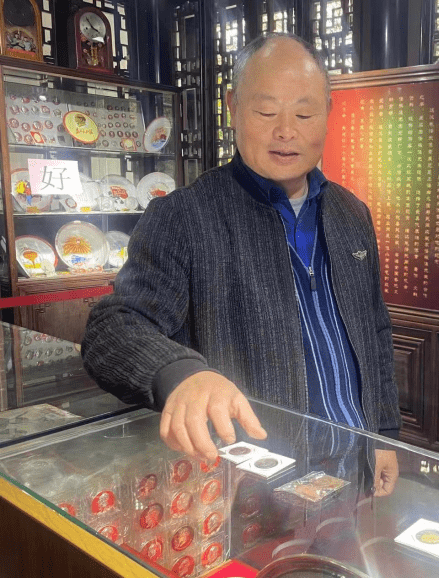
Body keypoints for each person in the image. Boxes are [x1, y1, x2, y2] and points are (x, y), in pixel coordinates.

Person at [81, 33, 401, 496]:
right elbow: (113, 328)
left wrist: (384, 434)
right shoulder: (185, 216)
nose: (286, 131)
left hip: (352, 471)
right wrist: (181, 373)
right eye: (266, 112)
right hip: (249, 487)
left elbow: (375, 331)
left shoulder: (351, 214)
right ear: (232, 107)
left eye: (304, 114)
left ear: (328, 113)